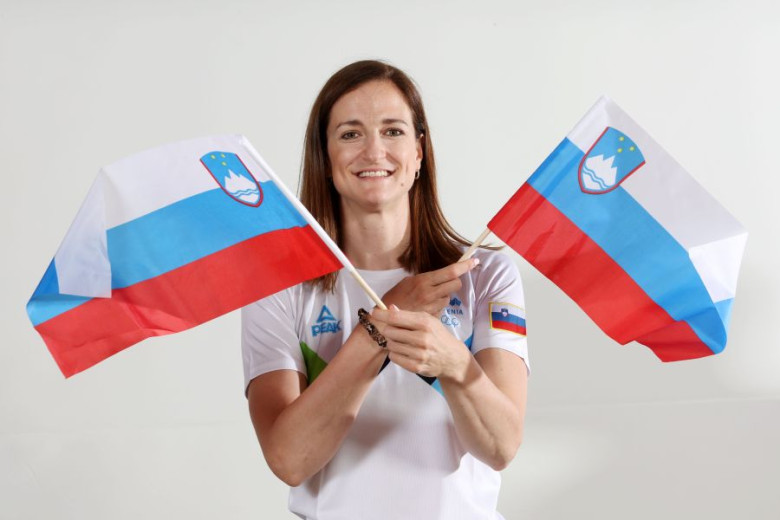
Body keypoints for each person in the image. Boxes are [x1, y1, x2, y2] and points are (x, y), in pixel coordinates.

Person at [242, 60, 529, 520]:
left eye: (393, 131)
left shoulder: (484, 272)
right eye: (350, 134)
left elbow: (501, 445)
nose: (374, 151)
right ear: (325, 155)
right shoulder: (280, 288)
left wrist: (454, 362)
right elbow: (289, 460)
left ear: (419, 152)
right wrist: (379, 329)